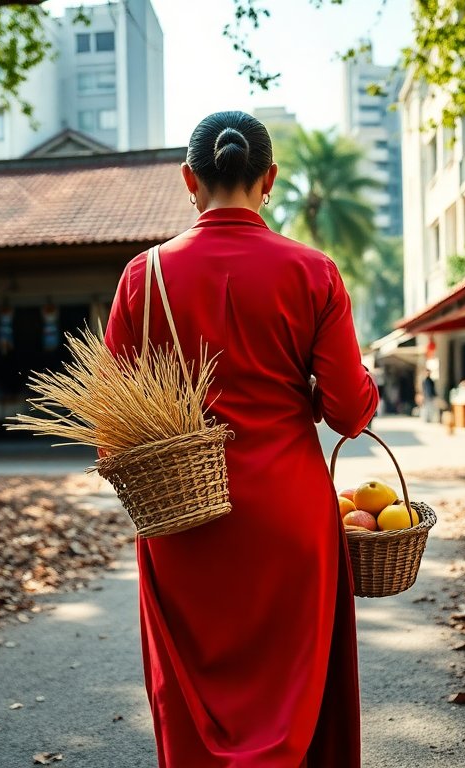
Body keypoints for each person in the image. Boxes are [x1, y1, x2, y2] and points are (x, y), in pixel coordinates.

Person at [103, 111, 377, 767]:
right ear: (270, 180)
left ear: (188, 179)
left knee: (193, 700)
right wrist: (322, 392)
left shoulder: (146, 276)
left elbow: (109, 430)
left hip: (183, 521)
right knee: (294, 696)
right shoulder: (313, 272)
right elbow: (348, 412)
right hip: (289, 516)